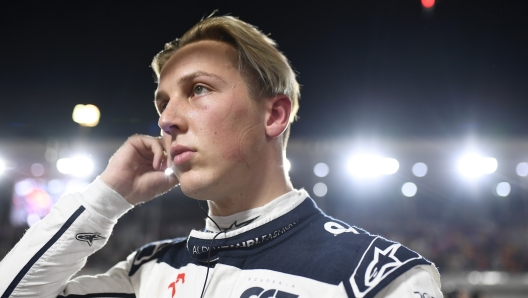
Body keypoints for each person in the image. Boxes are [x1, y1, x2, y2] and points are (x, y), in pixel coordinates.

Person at [0, 16, 443, 298]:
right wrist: (105, 199)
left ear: (274, 114)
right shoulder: (147, 271)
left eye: (198, 90)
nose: (167, 120)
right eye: (161, 103)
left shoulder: (380, 277)